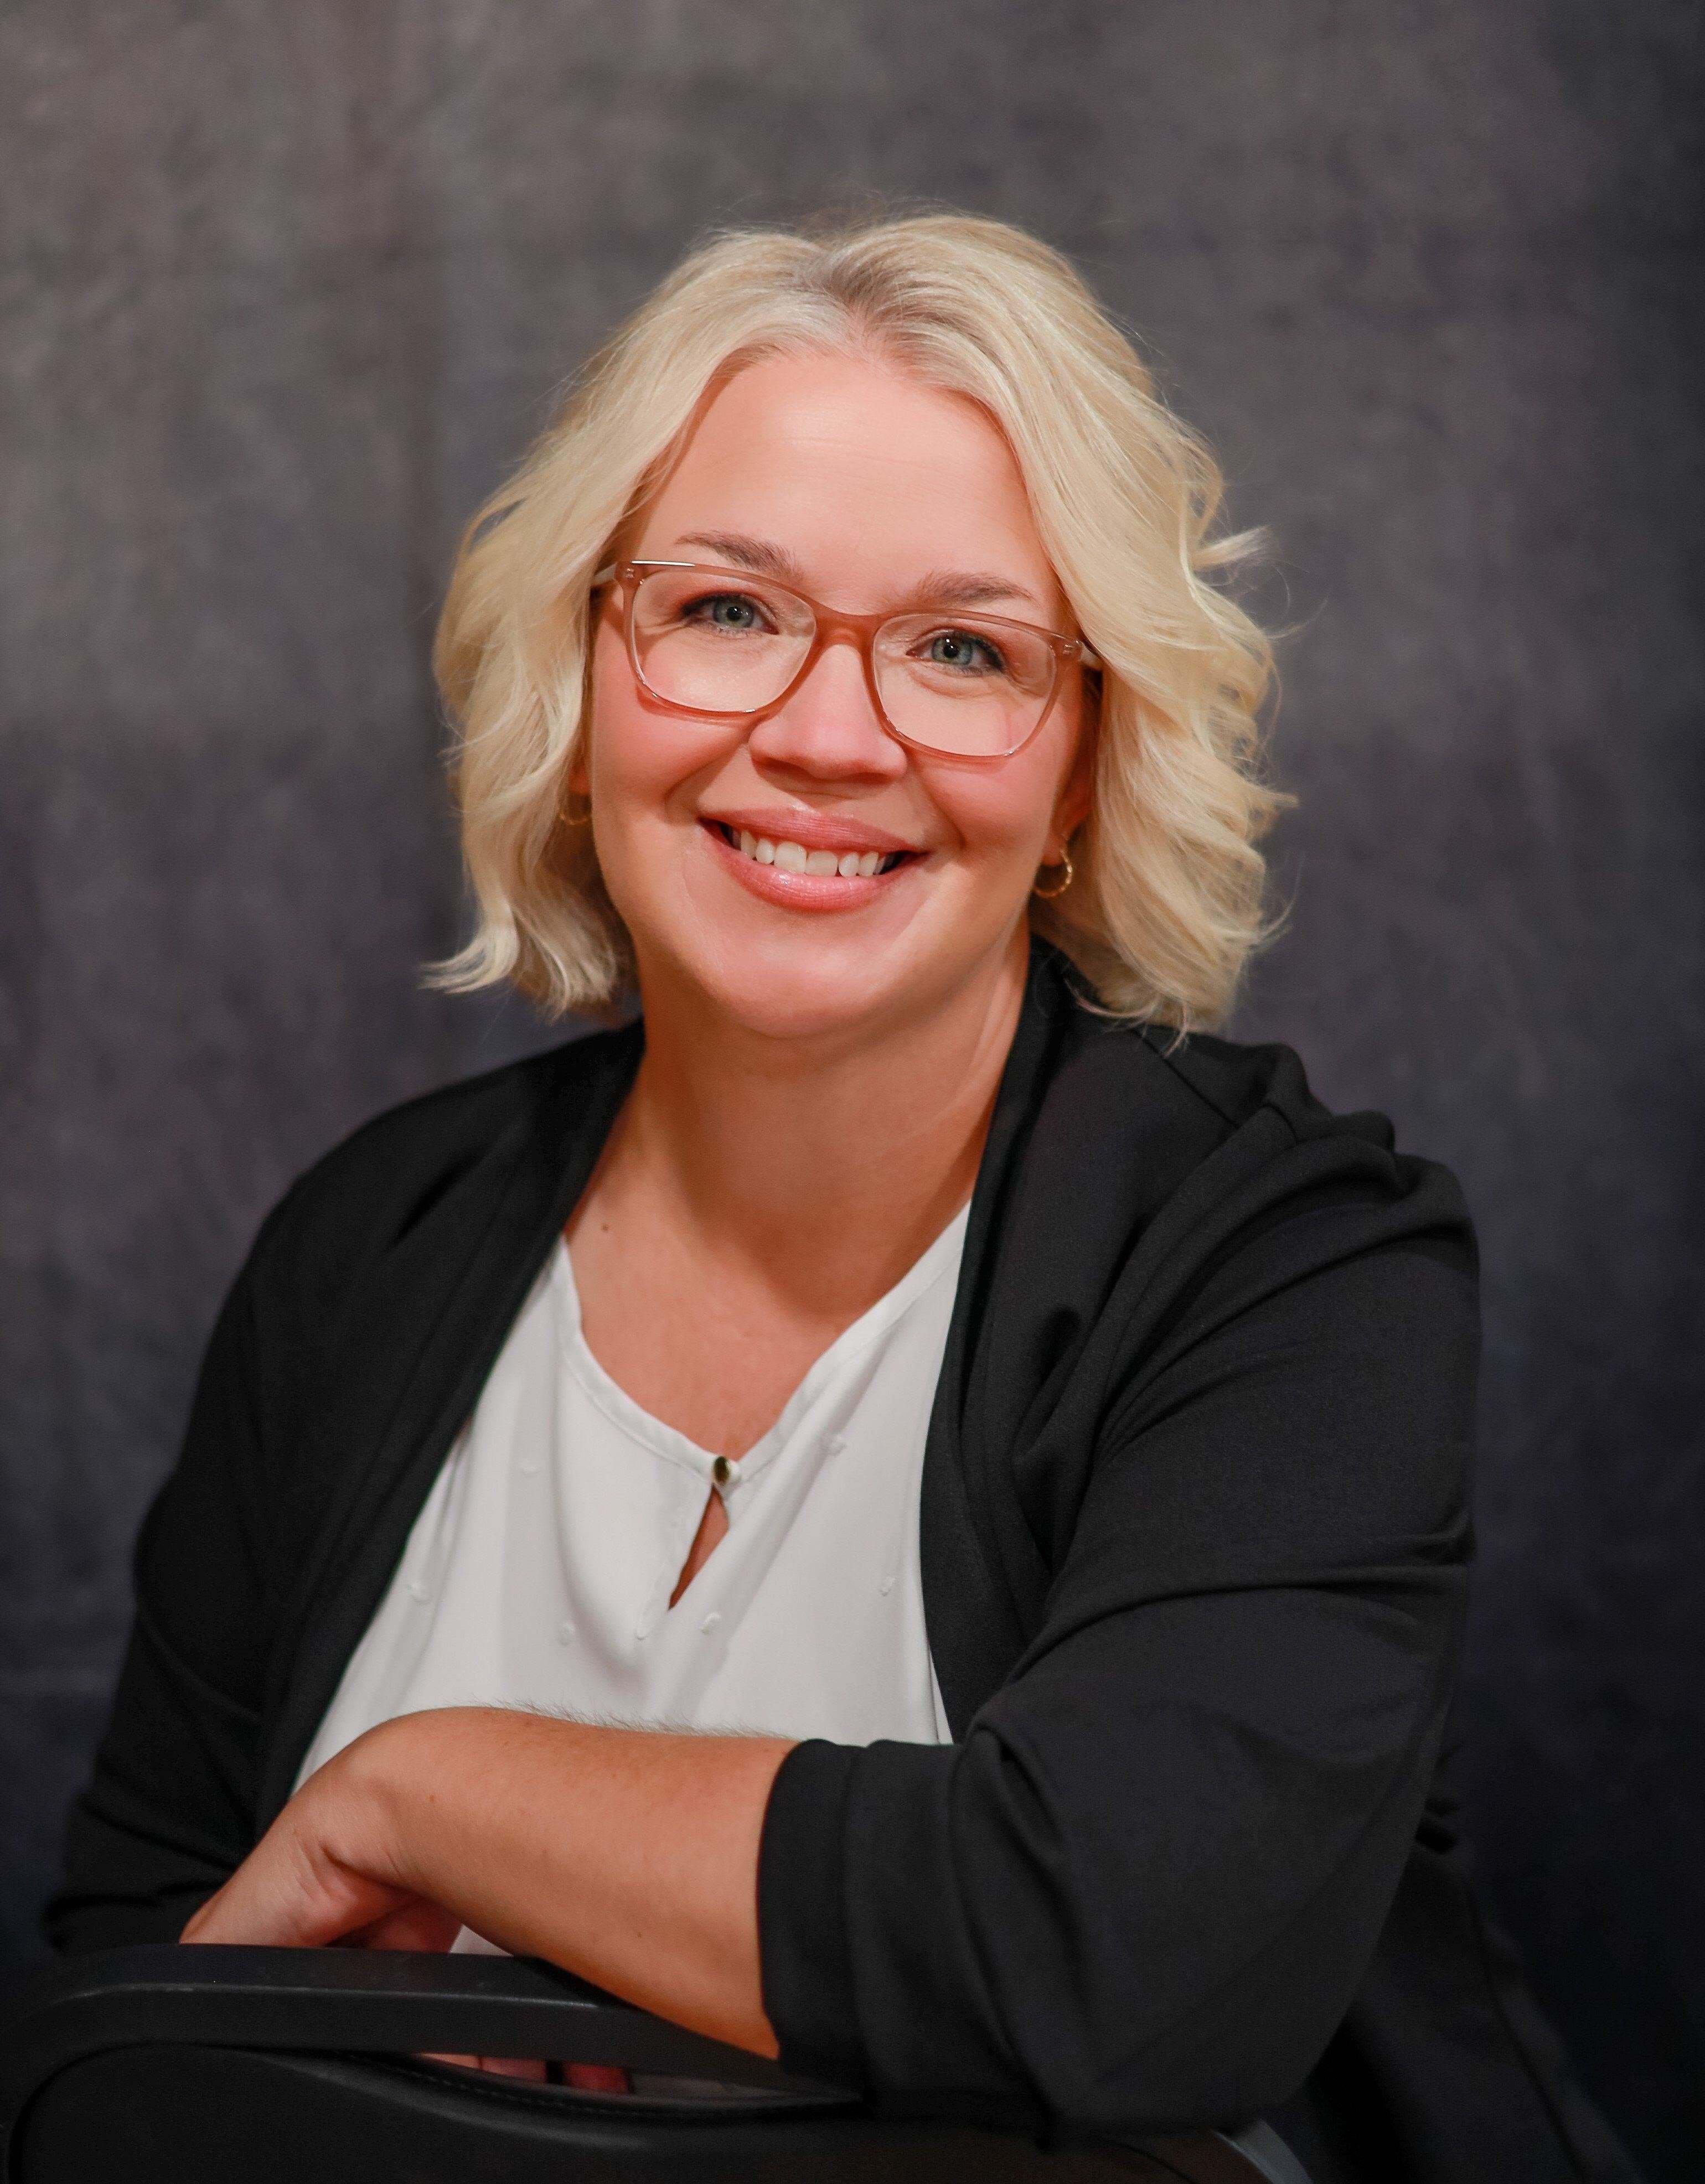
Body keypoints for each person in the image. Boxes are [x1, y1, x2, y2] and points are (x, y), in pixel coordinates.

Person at [49, 213, 1637, 2183]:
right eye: (726, 608)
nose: (822, 731)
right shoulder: (362, 1247)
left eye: (964, 647)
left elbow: (1125, 1956)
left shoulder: (1292, 1263)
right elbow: (126, 2038)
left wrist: (427, 1792)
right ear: (588, 671)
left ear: (1081, 773)